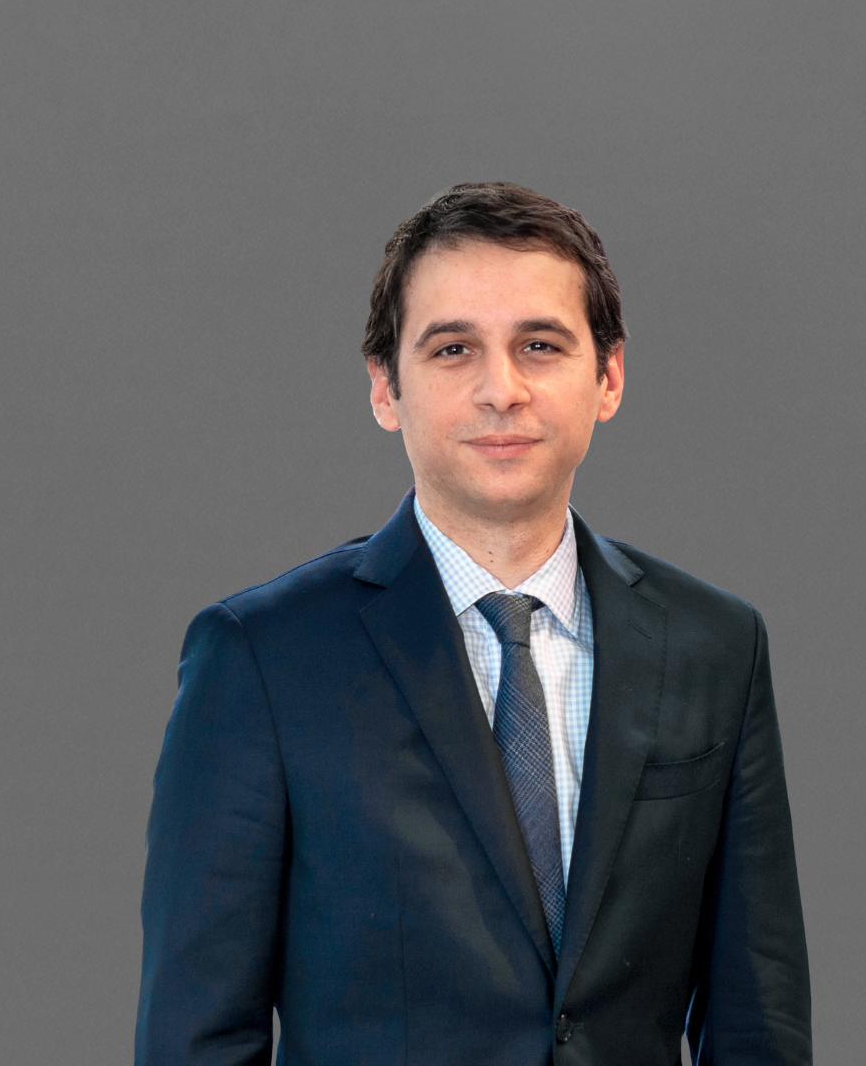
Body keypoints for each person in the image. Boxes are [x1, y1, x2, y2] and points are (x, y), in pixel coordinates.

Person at [135, 182, 812, 1065]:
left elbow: (759, 1029)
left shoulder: (714, 647)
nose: (503, 390)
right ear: (386, 387)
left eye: (541, 345)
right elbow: (194, 1040)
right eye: (453, 349)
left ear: (608, 377)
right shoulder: (263, 658)